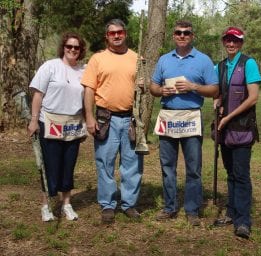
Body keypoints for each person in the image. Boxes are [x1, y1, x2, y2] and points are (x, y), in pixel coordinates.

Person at [150, 20, 219, 226]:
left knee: (193, 168)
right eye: (178, 33)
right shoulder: (164, 60)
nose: (182, 36)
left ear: (192, 36)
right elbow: (153, 87)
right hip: (168, 117)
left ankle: (192, 210)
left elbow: (214, 90)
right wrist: (161, 90)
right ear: (173, 35)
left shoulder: (203, 60)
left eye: (186, 33)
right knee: (167, 166)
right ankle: (169, 207)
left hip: (191, 117)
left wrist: (193, 87)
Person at [81, 19, 143, 224]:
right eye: (112, 33)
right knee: (105, 163)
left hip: (130, 118)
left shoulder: (137, 58)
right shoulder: (98, 59)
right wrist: (89, 117)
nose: (116, 36)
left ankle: (129, 204)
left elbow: (143, 89)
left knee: (132, 164)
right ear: (106, 36)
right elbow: (89, 89)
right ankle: (108, 204)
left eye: (120, 32)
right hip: (105, 118)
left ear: (125, 33)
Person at [28, 32, 87, 221]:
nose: (72, 50)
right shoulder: (50, 66)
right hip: (50, 122)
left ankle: (66, 204)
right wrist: (34, 120)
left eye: (76, 47)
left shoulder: (83, 71)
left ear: (80, 50)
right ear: (63, 47)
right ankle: (46, 206)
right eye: (69, 46)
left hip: (73, 125)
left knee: (68, 166)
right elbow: (38, 95)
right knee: (50, 165)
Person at [213, 27, 261, 239]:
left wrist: (229, 116)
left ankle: (243, 221)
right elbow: (217, 91)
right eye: (228, 40)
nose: (231, 44)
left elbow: (253, 98)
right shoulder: (221, 66)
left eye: (235, 41)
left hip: (242, 128)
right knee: (231, 172)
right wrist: (217, 101)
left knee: (241, 175)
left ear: (241, 43)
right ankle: (231, 213)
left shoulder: (249, 63)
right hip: (224, 130)